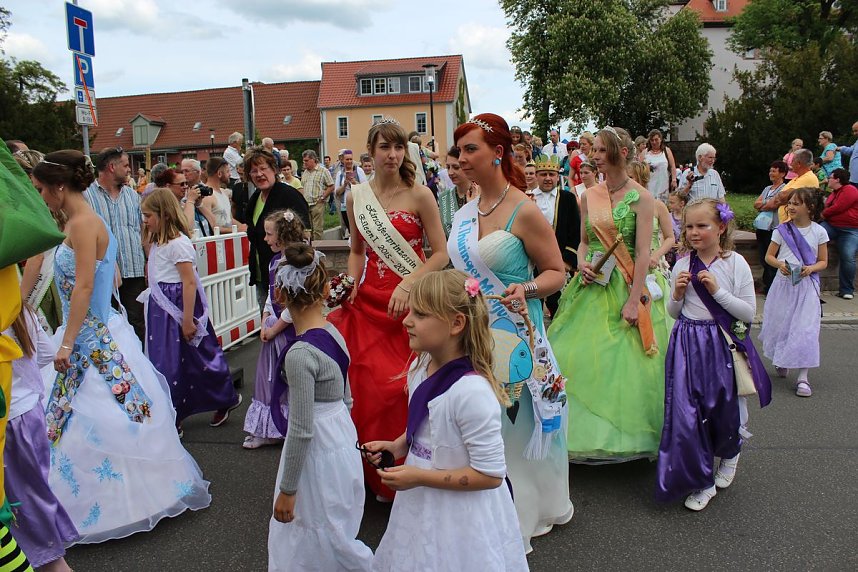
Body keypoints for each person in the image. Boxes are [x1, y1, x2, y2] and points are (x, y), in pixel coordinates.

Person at [33, 151, 211, 543]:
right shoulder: (83, 222)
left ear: (59, 187)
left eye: (43, 190)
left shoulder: (83, 224)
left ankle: (121, 502)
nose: (42, 197)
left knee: (95, 414)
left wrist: (66, 341)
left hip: (87, 335)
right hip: (92, 331)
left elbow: (82, 286)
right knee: (87, 415)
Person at [449, 113, 573, 553]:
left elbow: (558, 271)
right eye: (459, 149)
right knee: (479, 422)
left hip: (516, 331)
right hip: (471, 332)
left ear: (497, 153)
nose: (461, 158)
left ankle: (521, 511)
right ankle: (481, 511)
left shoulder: (525, 208)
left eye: (470, 149)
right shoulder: (465, 211)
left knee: (514, 425)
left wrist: (528, 288)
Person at [367, 270, 528, 571]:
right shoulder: (420, 366)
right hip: (421, 501)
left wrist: (418, 476)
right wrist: (398, 445)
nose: (406, 320)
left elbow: (491, 475)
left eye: (421, 314)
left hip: (461, 514)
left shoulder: (471, 393)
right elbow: (426, 428)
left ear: (456, 323)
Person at [327, 119, 449, 503]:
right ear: (371, 151)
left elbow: (441, 254)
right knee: (365, 389)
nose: (393, 155)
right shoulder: (356, 197)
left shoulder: (421, 195)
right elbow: (357, 251)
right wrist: (349, 282)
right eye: (385, 148)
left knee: (403, 389)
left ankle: (410, 472)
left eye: (398, 148)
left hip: (410, 303)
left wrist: (408, 283)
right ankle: (372, 474)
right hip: (368, 306)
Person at [548, 127, 670, 463]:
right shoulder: (590, 195)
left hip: (627, 283)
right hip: (592, 284)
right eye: (595, 150)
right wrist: (583, 262)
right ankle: (575, 433)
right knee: (578, 355)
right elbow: (585, 239)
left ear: (620, 153)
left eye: (601, 150)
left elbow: (644, 251)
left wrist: (633, 299)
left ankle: (625, 436)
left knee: (626, 363)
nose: (594, 156)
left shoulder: (643, 198)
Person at [656, 199, 771, 511]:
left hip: (721, 344)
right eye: (689, 226)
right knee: (688, 413)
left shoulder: (734, 264)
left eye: (702, 226)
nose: (694, 232)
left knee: (726, 408)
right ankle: (702, 481)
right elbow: (673, 312)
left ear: (721, 227)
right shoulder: (682, 264)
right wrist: (677, 295)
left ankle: (730, 455)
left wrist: (719, 291)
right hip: (686, 343)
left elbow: (748, 312)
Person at [268, 243, 373, 572]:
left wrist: (287, 490)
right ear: (326, 288)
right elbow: (348, 395)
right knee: (336, 521)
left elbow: (300, 428)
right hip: (340, 436)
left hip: (315, 448)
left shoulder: (300, 354)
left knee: (311, 521)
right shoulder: (333, 333)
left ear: (281, 295)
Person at [140, 189, 242, 432]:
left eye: (148, 216)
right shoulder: (157, 241)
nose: (145, 221)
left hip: (179, 307)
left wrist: (187, 320)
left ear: (164, 215)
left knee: (197, 358)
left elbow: (188, 282)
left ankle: (222, 397)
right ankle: (174, 413)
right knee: (167, 362)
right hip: (160, 310)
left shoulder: (179, 244)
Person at [4, 306, 78, 570]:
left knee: (20, 502)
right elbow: (46, 353)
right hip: (31, 413)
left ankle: (51, 559)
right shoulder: (21, 308)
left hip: (10, 423)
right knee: (34, 490)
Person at [243, 210, 304, 450]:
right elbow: (272, 296)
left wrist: (275, 328)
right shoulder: (274, 261)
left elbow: (294, 305)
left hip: (286, 331)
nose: (265, 239)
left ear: (283, 235)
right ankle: (269, 427)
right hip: (273, 327)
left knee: (287, 379)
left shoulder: (293, 265)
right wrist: (264, 318)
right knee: (267, 379)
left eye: (269, 234)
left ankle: (286, 425)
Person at [760, 188, 828, 397]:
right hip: (784, 285)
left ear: (811, 208)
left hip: (806, 287)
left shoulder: (819, 232)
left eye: (796, 204)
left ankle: (803, 378)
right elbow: (769, 256)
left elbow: (823, 261)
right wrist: (780, 264)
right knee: (782, 325)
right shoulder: (781, 230)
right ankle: (782, 358)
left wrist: (811, 269)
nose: (790, 207)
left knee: (805, 330)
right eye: (789, 203)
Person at [83, 147, 147, 342]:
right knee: (106, 324)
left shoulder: (133, 196)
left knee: (136, 322)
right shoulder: (87, 196)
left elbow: (142, 230)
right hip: (102, 274)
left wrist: (147, 260)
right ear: (112, 167)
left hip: (133, 270)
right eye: (126, 165)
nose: (130, 170)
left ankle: (139, 367)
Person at [245, 149, 311, 311]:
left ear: (274, 169)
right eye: (254, 171)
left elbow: (305, 233)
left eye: (263, 168)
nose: (259, 174)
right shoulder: (255, 198)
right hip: (262, 272)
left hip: (287, 274)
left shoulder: (289, 195)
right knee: (267, 317)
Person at [531, 155, 581, 316]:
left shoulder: (567, 198)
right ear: (536, 175)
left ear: (557, 176)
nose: (547, 178)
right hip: (530, 262)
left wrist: (567, 260)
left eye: (551, 175)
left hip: (558, 260)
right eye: (543, 174)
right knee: (532, 303)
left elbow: (575, 231)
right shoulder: (526, 197)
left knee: (558, 305)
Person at [820, 168, 858, 300]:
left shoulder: (850, 190)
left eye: (830, 177)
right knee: (813, 240)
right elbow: (829, 206)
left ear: (837, 179)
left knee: (848, 256)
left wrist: (823, 214)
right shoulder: (834, 192)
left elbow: (838, 207)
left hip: (850, 230)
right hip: (832, 225)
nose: (828, 180)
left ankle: (846, 289)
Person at [753, 161, 789, 294]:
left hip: (774, 227)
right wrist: (766, 203)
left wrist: (764, 204)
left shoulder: (784, 189)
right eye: (770, 171)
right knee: (763, 258)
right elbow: (756, 204)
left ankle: (772, 289)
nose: (771, 173)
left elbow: (775, 205)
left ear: (782, 173)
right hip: (762, 227)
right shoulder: (767, 188)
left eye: (774, 171)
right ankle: (767, 285)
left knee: (772, 259)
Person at [437, 146, 478, 237]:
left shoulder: (481, 194)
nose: (450, 172)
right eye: (448, 167)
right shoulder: (444, 197)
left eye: (456, 167)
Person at [202, 157, 245, 232]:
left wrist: (244, 227)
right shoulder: (207, 196)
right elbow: (212, 228)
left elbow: (229, 219)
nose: (230, 175)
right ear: (219, 173)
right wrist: (238, 230)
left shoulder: (224, 193)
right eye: (227, 171)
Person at [300, 150, 334, 241]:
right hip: (306, 204)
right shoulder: (305, 173)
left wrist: (323, 198)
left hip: (318, 203)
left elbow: (331, 186)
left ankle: (319, 250)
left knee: (317, 230)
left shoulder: (323, 171)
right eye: (304, 161)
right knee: (308, 229)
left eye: (306, 161)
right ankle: (310, 249)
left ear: (313, 160)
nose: (304, 163)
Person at [334, 150, 367, 239]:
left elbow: (365, 188)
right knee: (350, 228)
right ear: (343, 160)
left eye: (350, 159)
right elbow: (337, 192)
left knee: (359, 228)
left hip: (358, 204)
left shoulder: (359, 171)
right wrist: (344, 185)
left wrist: (354, 182)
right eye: (347, 159)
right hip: (345, 205)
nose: (349, 161)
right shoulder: (340, 173)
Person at [644, 129, 677, 203]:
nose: (654, 142)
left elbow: (672, 166)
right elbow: (639, 169)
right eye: (652, 140)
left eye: (656, 139)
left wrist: (674, 179)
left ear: (661, 139)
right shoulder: (645, 153)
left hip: (663, 184)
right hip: (649, 184)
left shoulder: (666, 151)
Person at [666, 191, 689, 269]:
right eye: (669, 202)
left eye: (672, 203)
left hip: (684, 252)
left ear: (682, 203)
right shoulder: (667, 217)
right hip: (670, 253)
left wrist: (684, 244)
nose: (669, 205)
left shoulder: (688, 218)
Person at [837, 120, 858, 186]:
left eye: (856, 131)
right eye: (854, 131)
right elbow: (851, 151)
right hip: (853, 177)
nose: (854, 133)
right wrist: (841, 148)